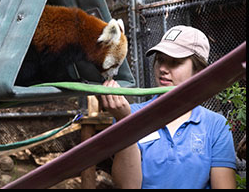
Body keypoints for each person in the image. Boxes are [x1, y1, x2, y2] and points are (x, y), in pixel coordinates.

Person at [101, 25, 237, 189]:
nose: (163, 69)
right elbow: (128, 186)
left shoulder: (215, 126)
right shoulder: (131, 115)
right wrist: (127, 123)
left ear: (199, 71)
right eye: (160, 60)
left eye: (175, 62)